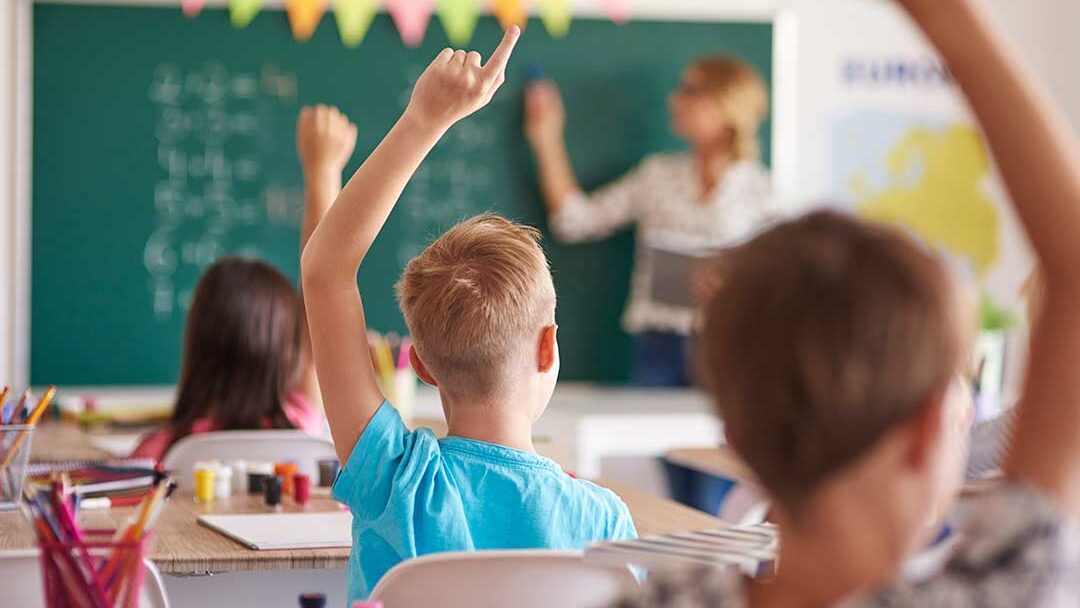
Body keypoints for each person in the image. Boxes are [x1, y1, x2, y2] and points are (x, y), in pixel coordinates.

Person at [610, 1, 1080, 606]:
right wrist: (951, 22)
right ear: (933, 427)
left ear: (732, 433)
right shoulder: (992, 592)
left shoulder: (655, 601)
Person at [301, 28, 636, 604]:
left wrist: (424, 119)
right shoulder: (603, 525)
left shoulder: (395, 481)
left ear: (422, 364)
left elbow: (326, 271)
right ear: (547, 346)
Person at [524, 55, 775, 386]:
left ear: (726, 104)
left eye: (692, 90)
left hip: (731, 342)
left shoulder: (763, 191)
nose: (675, 99)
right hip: (659, 346)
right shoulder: (657, 175)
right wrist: (546, 138)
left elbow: (782, 281)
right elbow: (573, 220)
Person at [132, 105, 357, 462]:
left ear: (197, 345)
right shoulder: (303, 424)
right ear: (288, 349)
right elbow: (320, 305)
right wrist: (323, 171)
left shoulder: (160, 454)